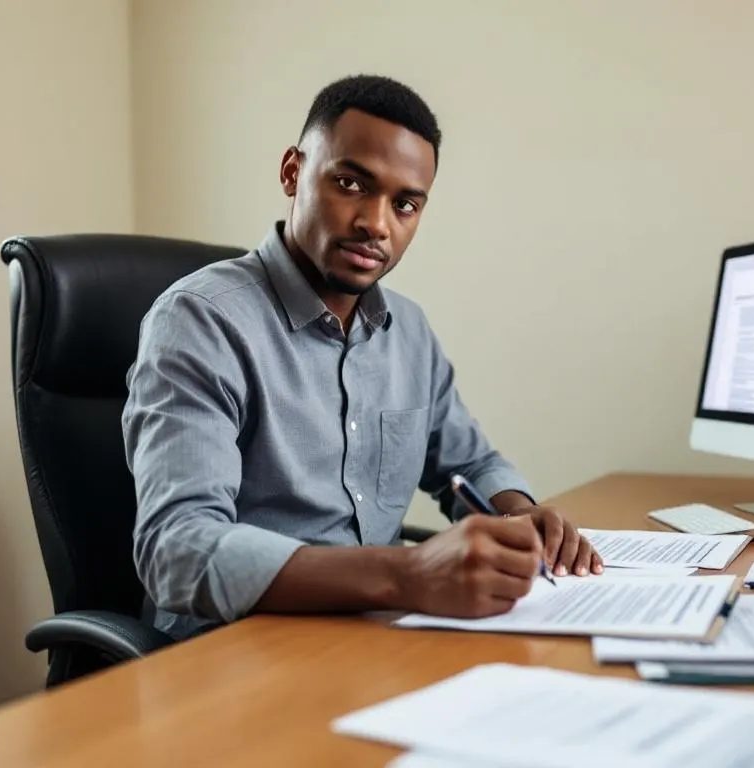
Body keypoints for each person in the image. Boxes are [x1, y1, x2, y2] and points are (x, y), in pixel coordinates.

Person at [123, 74, 601, 639]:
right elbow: (177, 551)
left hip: (377, 636)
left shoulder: (409, 331)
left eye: (405, 204)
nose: (377, 224)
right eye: (351, 183)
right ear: (292, 172)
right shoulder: (200, 320)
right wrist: (408, 574)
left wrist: (518, 513)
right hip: (238, 651)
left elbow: (468, 467)